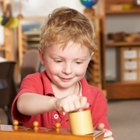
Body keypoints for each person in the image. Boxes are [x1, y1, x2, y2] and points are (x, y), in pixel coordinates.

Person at [12, 7, 114, 140]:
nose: (68, 70)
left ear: (89, 58)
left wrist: (104, 136)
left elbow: (100, 131)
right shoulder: (34, 81)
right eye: (59, 60)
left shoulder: (96, 97)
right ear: (42, 56)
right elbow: (23, 104)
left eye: (78, 62)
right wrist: (55, 103)